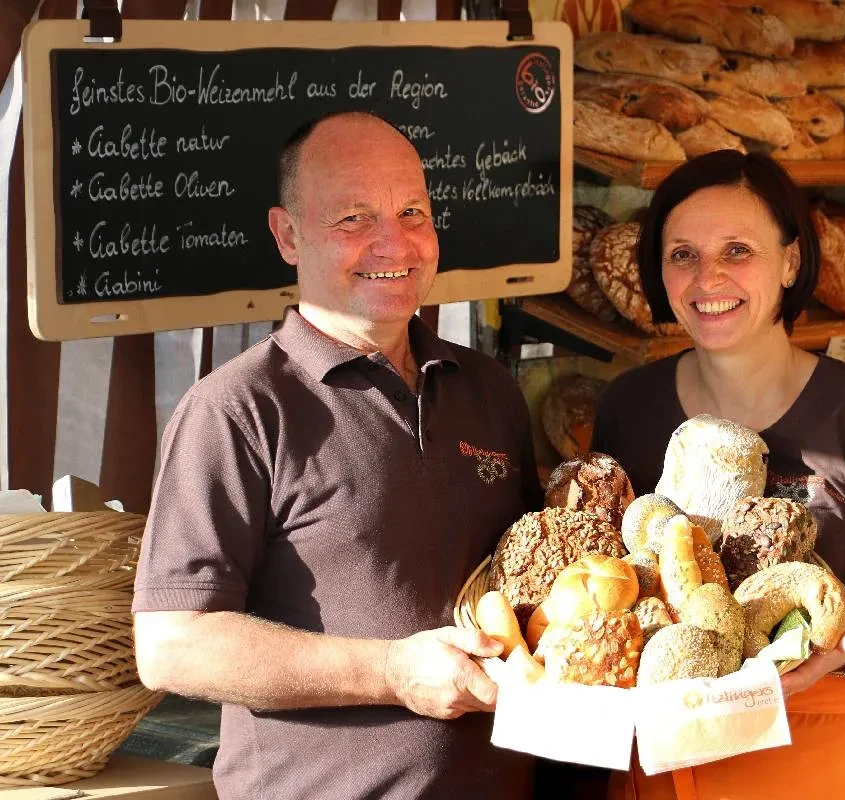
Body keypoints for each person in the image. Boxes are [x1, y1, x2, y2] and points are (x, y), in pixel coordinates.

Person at [132, 110, 541, 799]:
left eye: (413, 211)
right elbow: (171, 644)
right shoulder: (237, 409)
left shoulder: (489, 389)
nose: (395, 242)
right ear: (287, 236)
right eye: (353, 219)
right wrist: (389, 672)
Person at [591, 150, 845, 800]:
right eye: (683, 254)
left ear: (790, 261)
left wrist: (836, 654)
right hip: (669, 758)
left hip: (826, 757)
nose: (708, 277)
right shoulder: (628, 408)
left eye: (737, 251)